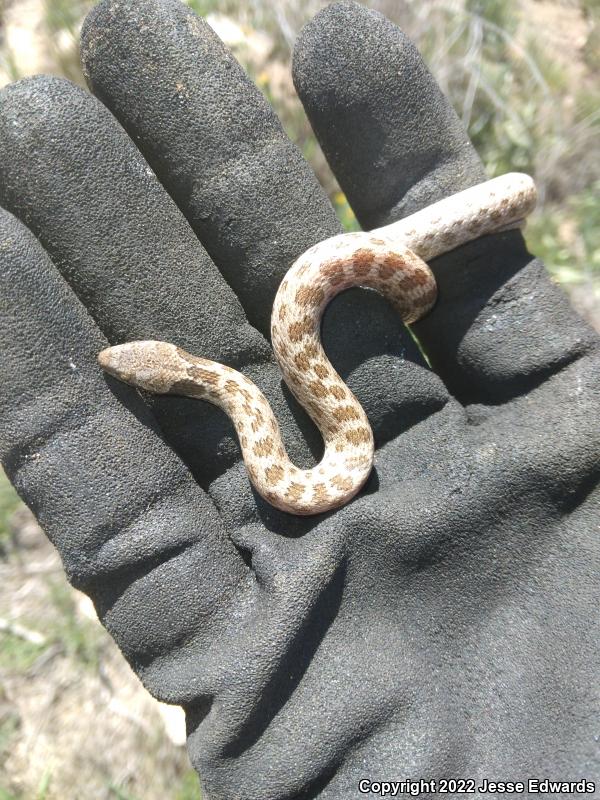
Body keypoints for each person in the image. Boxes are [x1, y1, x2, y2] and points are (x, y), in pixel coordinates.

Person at [0, 1, 598, 797]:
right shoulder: (237, 393)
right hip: (319, 331)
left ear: (168, 370)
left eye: (136, 371)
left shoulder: (248, 392)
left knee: (444, 236)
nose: (124, 368)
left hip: (327, 311)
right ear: (170, 368)